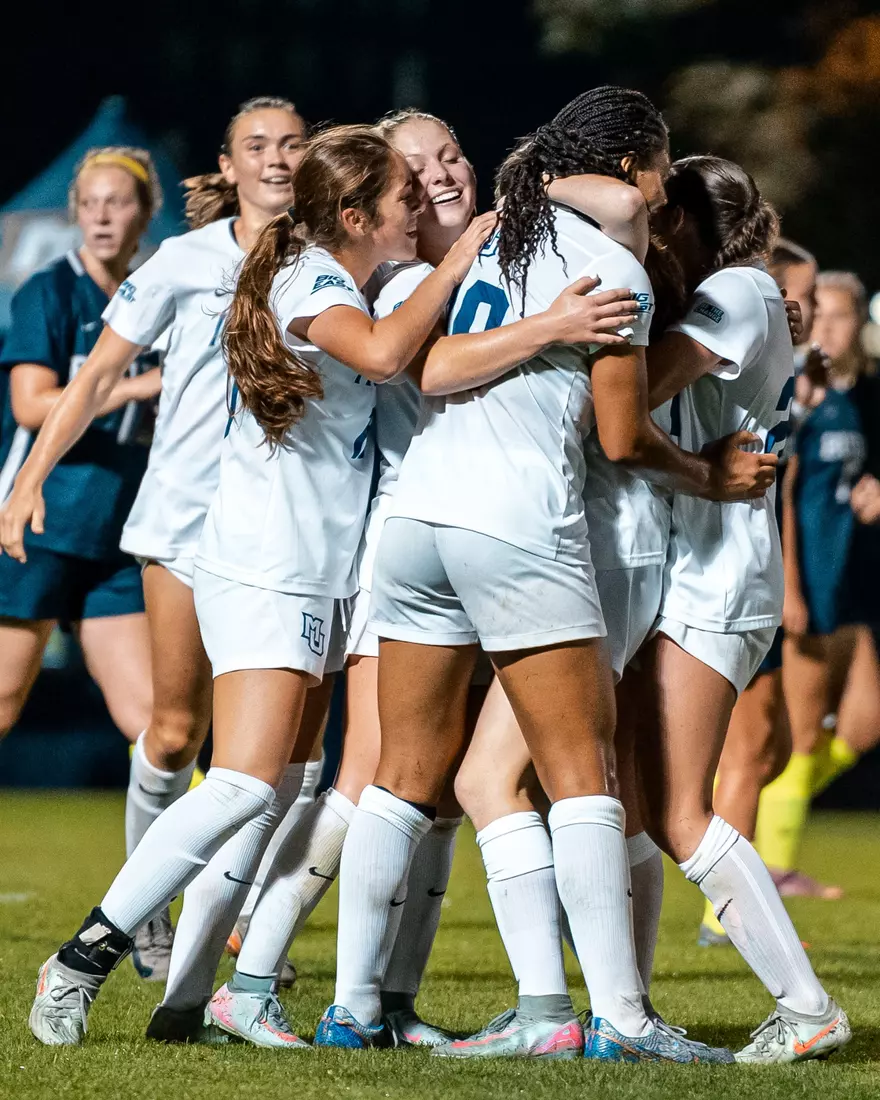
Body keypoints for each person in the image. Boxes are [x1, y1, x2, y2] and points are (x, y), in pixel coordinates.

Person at [318, 87, 775, 1061]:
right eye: (654, 169)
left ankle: (354, 1006)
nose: (660, 190)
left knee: (400, 777)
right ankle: (616, 1016)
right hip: (518, 522)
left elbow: (430, 371)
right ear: (627, 168)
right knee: (579, 774)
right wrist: (706, 473)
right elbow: (618, 435)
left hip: (416, 521)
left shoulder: (491, 238)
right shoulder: (611, 268)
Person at [22, 122, 498, 1048]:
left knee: (285, 783)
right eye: (404, 197)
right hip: (264, 565)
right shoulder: (314, 276)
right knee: (241, 783)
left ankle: (192, 1003)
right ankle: (84, 955)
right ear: (357, 216)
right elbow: (384, 354)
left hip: (316, 570)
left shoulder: (335, 267)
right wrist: (463, 256)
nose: (418, 207)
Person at [211, 108, 641, 1050]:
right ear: (381, 203)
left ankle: (391, 1000)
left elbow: (617, 195)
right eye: (416, 170)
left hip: (453, 537)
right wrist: (553, 322)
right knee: (376, 776)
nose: (441, 175)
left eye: (452, 153)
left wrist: (528, 188)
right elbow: (425, 363)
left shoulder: (497, 251)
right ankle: (256, 975)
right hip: (423, 536)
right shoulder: (407, 277)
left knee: (444, 788)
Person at [0, 98, 309, 985]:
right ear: (229, 162)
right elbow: (93, 373)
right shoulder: (185, 260)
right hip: (176, 527)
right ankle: (144, 919)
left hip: (282, 535)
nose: (277, 159)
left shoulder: (328, 262)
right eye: (258, 145)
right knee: (173, 735)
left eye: (293, 143)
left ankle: (240, 933)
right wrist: (25, 482)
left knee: (276, 754)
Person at [623, 156, 849, 1063]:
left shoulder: (741, 295)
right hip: (696, 567)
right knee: (640, 806)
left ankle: (807, 1008)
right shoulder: (745, 295)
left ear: (684, 224)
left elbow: (638, 386)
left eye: (656, 216)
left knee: (682, 813)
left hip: (719, 576)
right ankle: (624, 1008)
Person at [0, 149, 160, 760]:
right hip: (39, 523)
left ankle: (186, 858)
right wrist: (137, 386)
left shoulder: (153, 295)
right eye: (88, 204)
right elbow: (30, 405)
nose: (100, 216)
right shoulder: (50, 290)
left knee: (152, 723)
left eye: (116, 202)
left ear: (144, 214)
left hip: (116, 535)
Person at [698, 238, 819, 944]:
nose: (798, 312)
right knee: (739, 758)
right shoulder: (723, 340)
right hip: (720, 570)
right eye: (790, 296)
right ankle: (727, 914)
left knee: (762, 748)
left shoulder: (777, 362)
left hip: (750, 567)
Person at [756, 270, 880, 897]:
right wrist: (790, 589)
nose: (826, 327)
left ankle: (761, 823)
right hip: (808, 582)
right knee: (798, 737)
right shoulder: (799, 394)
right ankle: (761, 871)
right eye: (818, 314)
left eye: (839, 316)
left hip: (851, 580)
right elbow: (779, 490)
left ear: (860, 322)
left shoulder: (859, 395)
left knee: (862, 724)